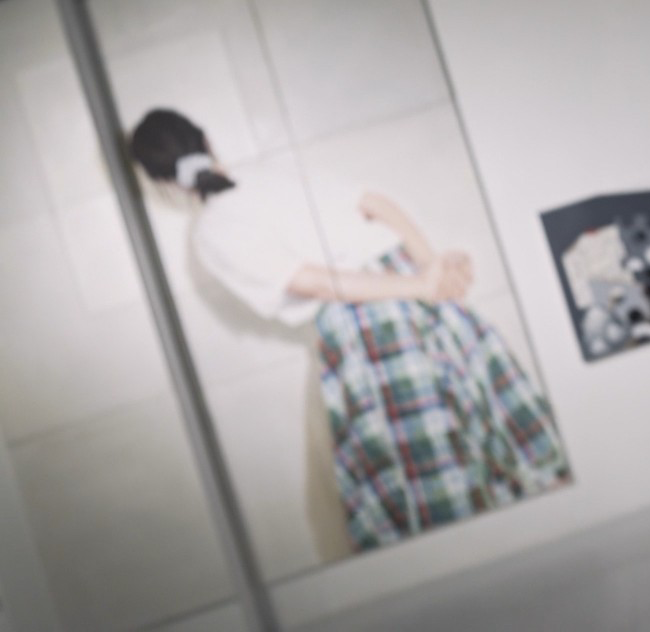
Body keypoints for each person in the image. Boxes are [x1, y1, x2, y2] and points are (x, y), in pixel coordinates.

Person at [127, 108, 570, 552]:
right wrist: (428, 271)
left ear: (165, 183)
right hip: (414, 291)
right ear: (207, 140)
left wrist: (426, 280)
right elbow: (374, 203)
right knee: (518, 442)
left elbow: (315, 282)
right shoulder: (271, 173)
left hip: (370, 331)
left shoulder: (211, 231)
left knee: (443, 493)